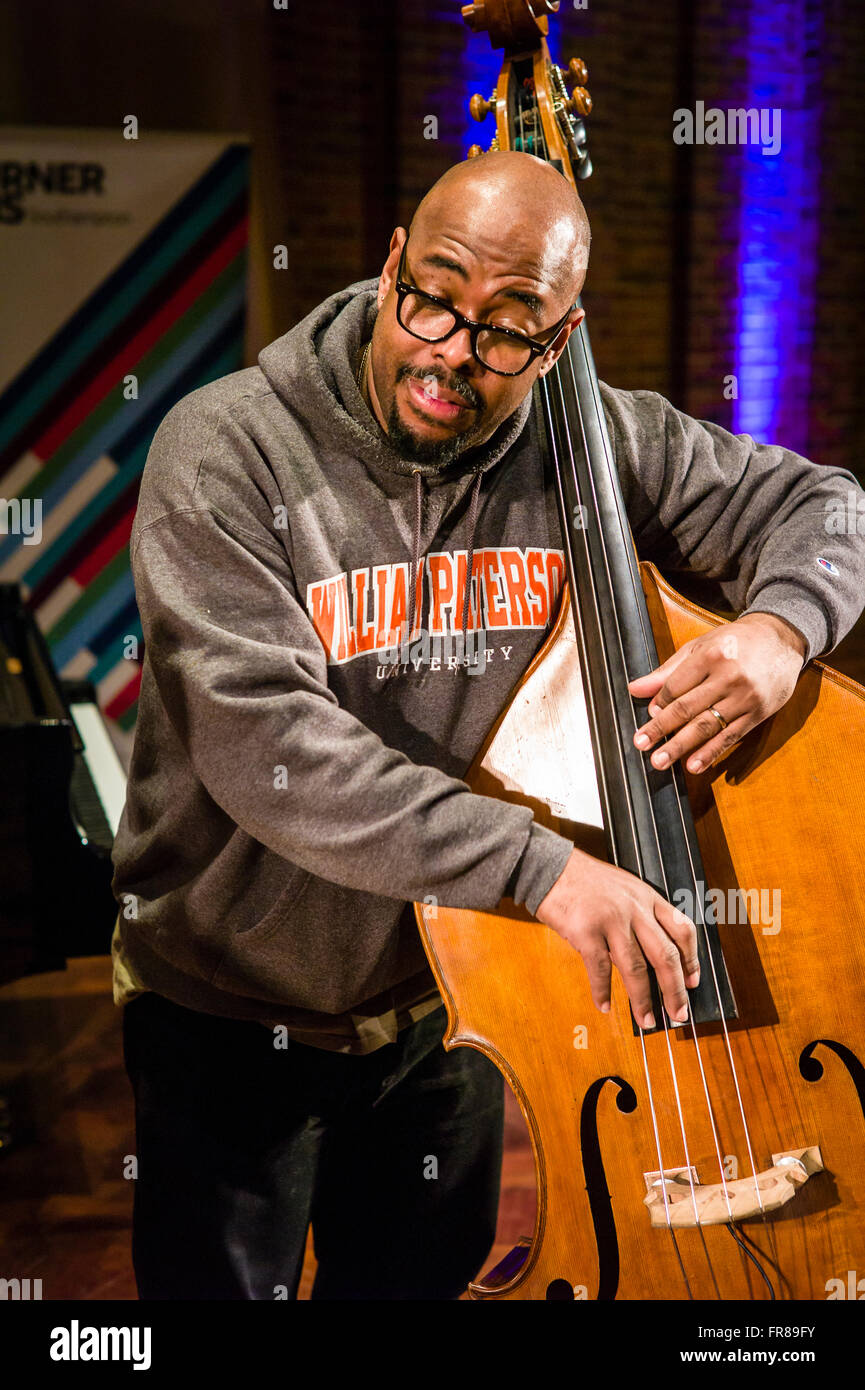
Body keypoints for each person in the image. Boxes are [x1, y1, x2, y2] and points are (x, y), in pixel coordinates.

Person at [111, 150, 865, 1300]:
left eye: (509, 327)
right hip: (229, 1003)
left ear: (558, 340)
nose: (452, 352)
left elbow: (828, 507)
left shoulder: (597, 440)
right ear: (389, 269)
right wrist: (538, 867)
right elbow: (267, 746)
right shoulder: (225, 451)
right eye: (433, 297)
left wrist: (780, 631)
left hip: (456, 1002)